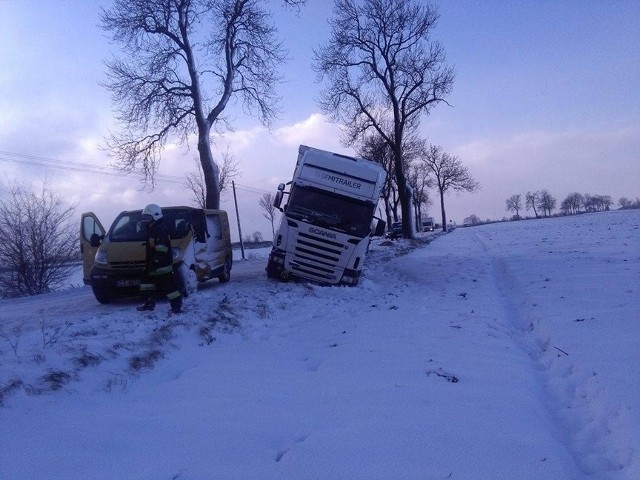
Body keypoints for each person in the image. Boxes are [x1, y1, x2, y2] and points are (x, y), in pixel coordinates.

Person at [137, 204, 182, 314]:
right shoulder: (152, 228)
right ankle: (149, 303)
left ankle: (176, 306)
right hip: (153, 262)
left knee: (168, 286)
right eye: (145, 217)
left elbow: (162, 248)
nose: (145, 219)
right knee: (146, 281)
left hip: (162, 264)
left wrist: (156, 261)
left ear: (155, 216)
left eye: (148, 217)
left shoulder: (160, 229)